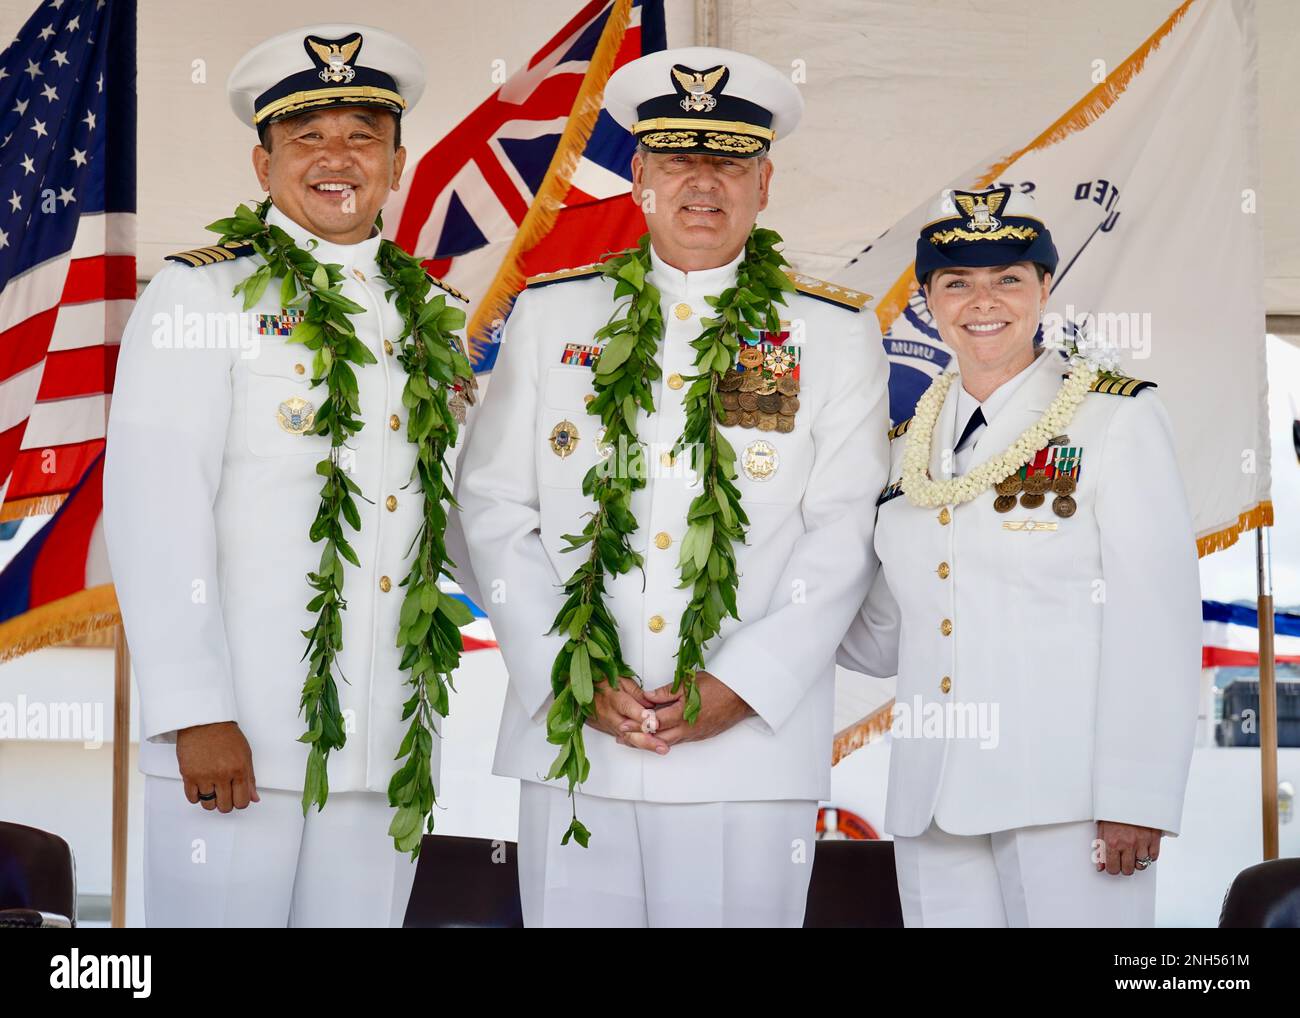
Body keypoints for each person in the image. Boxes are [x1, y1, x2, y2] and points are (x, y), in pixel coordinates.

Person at [455, 46, 889, 928]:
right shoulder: (551, 314)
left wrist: (747, 682)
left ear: (764, 184)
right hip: (576, 740)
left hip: (750, 754)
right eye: (680, 160)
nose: (705, 183)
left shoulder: (834, 335)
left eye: (728, 161)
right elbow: (492, 506)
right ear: (640, 178)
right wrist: (564, 670)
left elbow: (843, 534)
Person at [103, 23, 474, 927]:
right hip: (240, 742)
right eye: (307, 138)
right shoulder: (201, 295)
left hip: (385, 745)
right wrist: (196, 712)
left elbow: (461, 513)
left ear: (396, 160)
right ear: (262, 163)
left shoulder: (432, 312)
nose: (335, 158)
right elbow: (157, 510)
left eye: (361, 136)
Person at [838, 185, 1201, 927]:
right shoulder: (906, 446)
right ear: (930, 302)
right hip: (933, 802)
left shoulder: (1112, 419)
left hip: (1068, 803)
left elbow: (1156, 623)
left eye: (1009, 279)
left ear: (1044, 290)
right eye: (957, 283)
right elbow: (880, 640)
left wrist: (1135, 798)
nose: (984, 301)